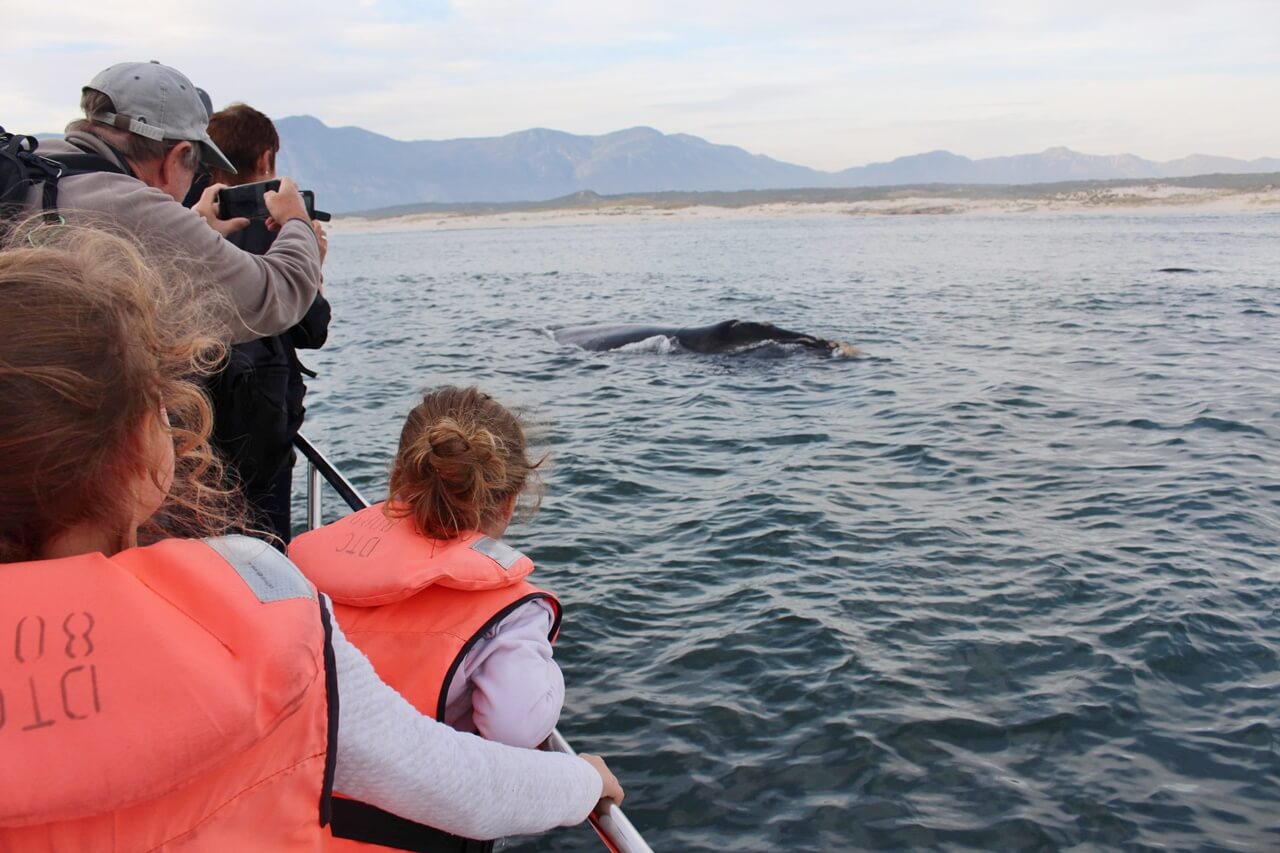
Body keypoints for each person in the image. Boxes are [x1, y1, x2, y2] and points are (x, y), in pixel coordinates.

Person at [0, 222, 622, 849]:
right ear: (136, 454)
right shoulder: (257, 601)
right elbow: (458, 783)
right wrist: (580, 782)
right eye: (162, 406)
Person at [288, 387, 567, 850]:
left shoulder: (303, 564)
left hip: (297, 817)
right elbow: (514, 730)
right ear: (510, 502)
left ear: (399, 476)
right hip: (412, 831)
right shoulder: (508, 614)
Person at [20, 60, 324, 344]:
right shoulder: (134, 206)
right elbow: (277, 294)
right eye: (195, 165)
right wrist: (297, 221)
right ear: (176, 157)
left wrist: (203, 231)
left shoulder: (34, 161)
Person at [199, 103, 331, 545]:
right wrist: (314, 266)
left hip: (195, 426)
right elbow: (312, 329)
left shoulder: (183, 221)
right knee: (265, 551)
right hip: (261, 426)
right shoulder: (282, 231)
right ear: (266, 160)